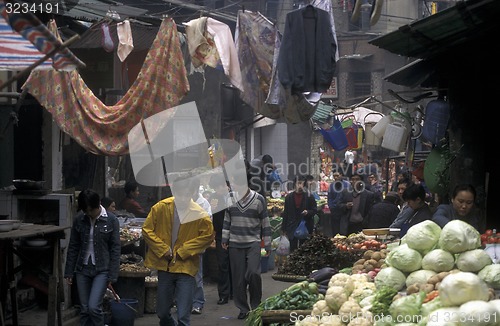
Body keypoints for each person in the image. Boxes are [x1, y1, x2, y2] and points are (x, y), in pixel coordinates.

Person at [142, 177, 214, 326]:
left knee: (183, 314)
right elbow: (147, 230)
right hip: (165, 265)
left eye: (186, 195)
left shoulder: (199, 213)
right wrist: (163, 250)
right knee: (162, 312)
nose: (182, 198)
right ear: (174, 192)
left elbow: (207, 236)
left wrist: (184, 251)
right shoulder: (160, 208)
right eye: (180, 194)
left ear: (192, 193)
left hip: (186, 267)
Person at [64, 189, 121, 326]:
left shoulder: (111, 220)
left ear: (98, 205)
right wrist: (69, 271)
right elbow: (73, 246)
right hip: (82, 268)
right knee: (84, 309)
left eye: (91, 210)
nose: (89, 214)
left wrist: (113, 275)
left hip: (102, 269)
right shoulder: (79, 219)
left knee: (93, 307)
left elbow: (115, 248)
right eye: (86, 211)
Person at [221, 169, 272, 320]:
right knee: (238, 279)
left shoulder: (259, 199)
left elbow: (265, 222)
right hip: (235, 243)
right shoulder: (229, 198)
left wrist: (267, 244)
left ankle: (256, 305)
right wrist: (225, 239)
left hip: (253, 243)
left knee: (254, 274)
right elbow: (226, 220)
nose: (234, 185)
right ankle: (243, 308)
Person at [209, 175, 232, 305]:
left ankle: (235, 291)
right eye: (218, 187)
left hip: (234, 235)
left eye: (222, 186)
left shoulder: (234, 197)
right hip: (220, 235)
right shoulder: (214, 198)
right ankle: (223, 294)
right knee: (222, 264)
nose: (221, 189)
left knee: (234, 264)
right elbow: (213, 214)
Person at [191, 181, 212, 315]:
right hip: (181, 243)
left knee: (197, 275)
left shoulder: (203, 203)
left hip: (197, 243)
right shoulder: (181, 200)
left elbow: (208, 222)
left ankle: (197, 302)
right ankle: (182, 301)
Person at [281, 175, 318, 252]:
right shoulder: (289, 197)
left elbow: (314, 210)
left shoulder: (309, 196)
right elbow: (286, 213)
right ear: (295, 184)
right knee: (292, 249)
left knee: (304, 249)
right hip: (292, 226)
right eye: (299, 183)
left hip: (305, 226)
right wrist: (284, 229)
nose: (300, 186)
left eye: (302, 184)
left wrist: (308, 212)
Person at [327, 171, 350, 236]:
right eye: (334, 176)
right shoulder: (331, 186)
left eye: (337, 175)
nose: (336, 177)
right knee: (335, 229)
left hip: (344, 209)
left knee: (344, 229)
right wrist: (331, 207)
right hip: (335, 210)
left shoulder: (347, 185)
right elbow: (330, 198)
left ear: (341, 175)